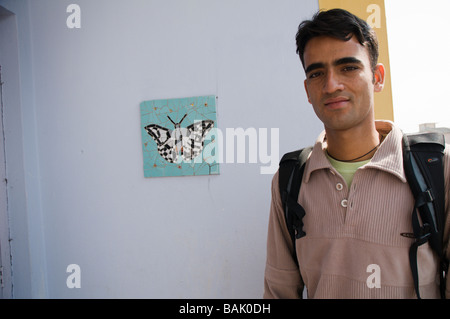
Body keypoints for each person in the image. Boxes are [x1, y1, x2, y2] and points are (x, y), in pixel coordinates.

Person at [263, 8, 450, 299]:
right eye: (317, 73)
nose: (331, 85)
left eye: (348, 67)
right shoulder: (290, 180)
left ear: (377, 77)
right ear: (307, 90)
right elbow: (278, 290)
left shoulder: (437, 169)